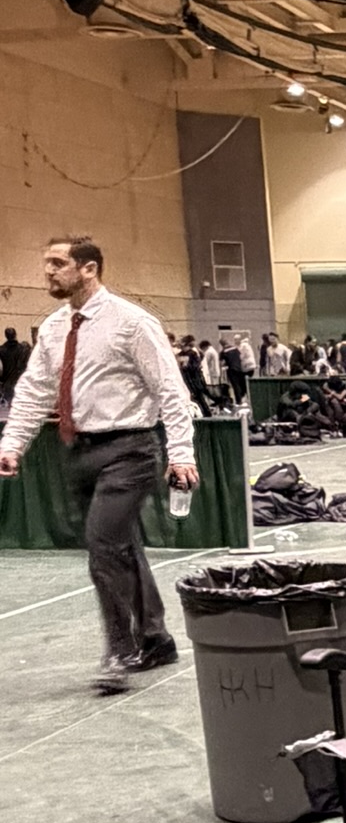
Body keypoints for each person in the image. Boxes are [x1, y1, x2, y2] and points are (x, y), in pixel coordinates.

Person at [0, 237, 198, 693]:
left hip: (130, 449)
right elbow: (33, 392)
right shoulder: (53, 328)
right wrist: (12, 444)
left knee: (103, 548)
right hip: (79, 452)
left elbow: (171, 390)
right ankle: (155, 638)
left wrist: (181, 453)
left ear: (88, 269)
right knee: (121, 545)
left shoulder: (132, 323)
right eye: (46, 263)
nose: (48, 272)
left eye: (58, 263)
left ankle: (120, 650)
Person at [0, 324, 30, 417]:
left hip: (7, 382)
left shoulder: (1, 350)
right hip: (21, 381)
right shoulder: (22, 348)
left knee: (9, 410)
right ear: (15, 335)